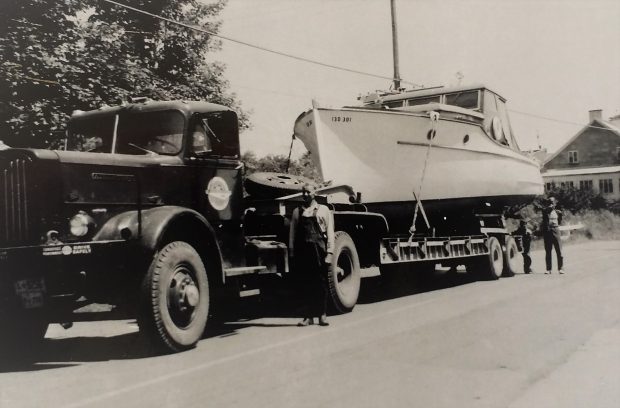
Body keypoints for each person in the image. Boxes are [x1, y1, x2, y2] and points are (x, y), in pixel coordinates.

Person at [288, 183, 334, 327]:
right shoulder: (297, 211)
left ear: (315, 193)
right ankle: (308, 317)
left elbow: (330, 232)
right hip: (303, 253)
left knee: (320, 283)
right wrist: (291, 252)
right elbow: (292, 234)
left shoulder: (323, 210)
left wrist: (330, 253)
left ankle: (322, 315)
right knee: (305, 283)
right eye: (303, 192)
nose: (305, 194)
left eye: (308, 192)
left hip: (319, 251)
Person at [541, 197, 564, 274]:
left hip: (555, 230)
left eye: (552, 202)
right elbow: (546, 212)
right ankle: (548, 269)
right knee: (548, 251)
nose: (551, 204)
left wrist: (556, 225)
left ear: (554, 203)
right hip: (547, 231)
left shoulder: (558, 212)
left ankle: (561, 268)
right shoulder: (545, 211)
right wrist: (550, 208)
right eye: (549, 202)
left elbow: (560, 220)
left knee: (559, 250)